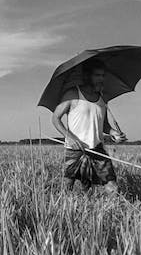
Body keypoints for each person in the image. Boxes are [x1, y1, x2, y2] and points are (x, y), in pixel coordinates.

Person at [51, 59, 126, 191]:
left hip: (97, 148)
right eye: (97, 75)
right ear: (87, 76)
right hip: (75, 148)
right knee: (67, 185)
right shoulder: (72, 94)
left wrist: (114, 133)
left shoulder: (102, 98)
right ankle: (66, 208)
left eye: (103, 75)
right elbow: (56, 118)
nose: (101, 79)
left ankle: (115, 208)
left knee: (112, 186)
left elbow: (104, 125)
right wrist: (69, 137)